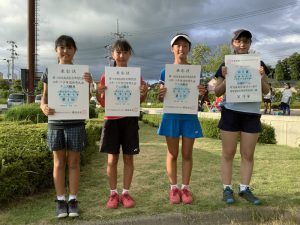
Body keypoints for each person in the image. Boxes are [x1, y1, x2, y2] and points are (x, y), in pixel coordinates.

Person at [214, 29, 270, 205]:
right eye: (239, 41)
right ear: (233, 43)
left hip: (251, 113)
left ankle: (244, 188)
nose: (242, 44)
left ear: (250, 44)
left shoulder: (258, 63)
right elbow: (217, 91)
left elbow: (266, 90)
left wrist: (260, 77)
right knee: (228, 153)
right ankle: (227, 188)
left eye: (246, 41)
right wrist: (225, 77)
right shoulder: (226, 63)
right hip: (231, 111)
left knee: (248, 154)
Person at [40, 35, 93, 218]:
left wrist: (88, 85)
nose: (65, 51)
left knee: (74, 163)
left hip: (76, 123)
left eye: (69, 48)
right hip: (55, 123)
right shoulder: (50, 71)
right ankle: (60, 200)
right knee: (59, 162)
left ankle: (73, 199)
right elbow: (44, 97)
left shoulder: (82, 73)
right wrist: (43, 107)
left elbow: (85, 101)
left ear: (74, 51)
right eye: (61, 47)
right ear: (56, 51)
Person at [96, 39, 148, 209]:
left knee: (128, 158)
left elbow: (138, 101)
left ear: (129, 55)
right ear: (113, 54)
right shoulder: (106, 76)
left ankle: (125, 192)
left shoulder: (136, 76)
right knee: (112, 160)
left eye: (125, 52)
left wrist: (144, 93)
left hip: (129, 121)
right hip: (111, 122)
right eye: (118, 52)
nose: (122, 55)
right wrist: (99, 93)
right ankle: (113, 193)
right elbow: (103, 104)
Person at [157, 33, 206, 204]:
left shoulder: (194, 72)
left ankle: (185, 188)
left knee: (187, 154)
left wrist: (201, 93)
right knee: (172, 153)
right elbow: (160, 97)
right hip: (171, 116)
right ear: (172, 49)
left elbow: (198, 98)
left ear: (189, 49)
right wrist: (160, 94)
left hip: (189, 116)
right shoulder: (165, 71)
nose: (181, 48)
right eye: (178, 45)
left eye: (185, 45)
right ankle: (173, 188)